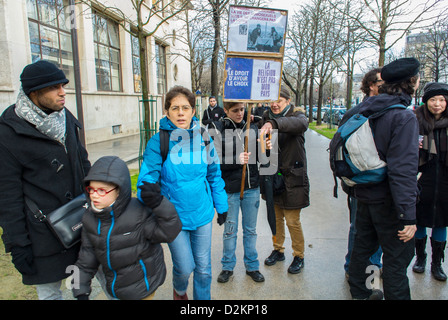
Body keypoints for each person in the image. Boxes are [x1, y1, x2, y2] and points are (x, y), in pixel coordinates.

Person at [0, 60, 91, 300]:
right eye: (54, 87)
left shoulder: (65, 118)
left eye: (63, 85)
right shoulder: (8, 133)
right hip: (43, 234)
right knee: (51, 294)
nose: (62, 92)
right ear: (34, 93)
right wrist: (18, 245)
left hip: (81, 222)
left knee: (83, 289)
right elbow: (7, 196)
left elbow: (83, 164)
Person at [137, 85, 228, 300]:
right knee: (185, 267)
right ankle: (179, 290)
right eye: (175, 108)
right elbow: (147, 177)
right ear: (166, 111)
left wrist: (221, 205)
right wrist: (148, 190)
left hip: (202, 213)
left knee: (204, 269)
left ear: (193, 111)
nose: (180, 113)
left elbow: (214, 174)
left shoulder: (205, 138)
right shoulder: (159, 142)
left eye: (185, 108)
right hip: (173, 217)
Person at [347, 57, 420, 300]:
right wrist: (407, 215)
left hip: (365, 195)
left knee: (362, 252)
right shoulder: (404, 117)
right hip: (390, 203)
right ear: (412, 82)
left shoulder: (367, 109)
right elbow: (403, 171)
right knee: (396, 264)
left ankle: (363, 294)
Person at [72, 156, 182, 300]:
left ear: (119, 190)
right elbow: (86, 258)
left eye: (101, 190)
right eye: (91, 189)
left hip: (143, 288)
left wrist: (159, 203)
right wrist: (81, 291)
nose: (94, 195)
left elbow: (169, 232)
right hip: (115, 289)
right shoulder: (89, 218)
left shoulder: (138, 213)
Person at [210, 102, 264, 283]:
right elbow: (214, 160)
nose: (240, 113)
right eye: (235, 110)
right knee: (230, 230)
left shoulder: (253, 128)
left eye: (242, 109)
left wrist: (265, 147)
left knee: (250, 230)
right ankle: (227, 266)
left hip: (252, 187)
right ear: (225, 110)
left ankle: (252, 265)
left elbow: (261, 158)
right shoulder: (218, 129)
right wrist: (236, 160)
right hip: (230, 190)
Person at [259, 86, 310, 274]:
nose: (274, 104)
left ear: (288, 101)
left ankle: (299, 255)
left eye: (279, 100)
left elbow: (299, 125)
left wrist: (273, 125)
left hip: (292, 179)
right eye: (272, 100)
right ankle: (278, 250)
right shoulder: (265, 118)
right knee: (276, 218)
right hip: (272, 177)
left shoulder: (298, 117)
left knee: (292, 220)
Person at [343, 68, 384, 277]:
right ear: (371, 85)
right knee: (360, 228)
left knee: (371, 229)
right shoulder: (358, 114)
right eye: (381, 82)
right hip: (363, 184)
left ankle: (369, 270)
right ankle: (358, 271)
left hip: (377, 184)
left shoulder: (386, 111)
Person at [413, 82, 448, 281]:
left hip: (444, 179)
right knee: (420, 220)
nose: (437, 104)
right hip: (422, 178)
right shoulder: (416, 121)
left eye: (441, 100)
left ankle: (437, 264)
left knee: (441, 222)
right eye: (433, 100)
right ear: (426, 102)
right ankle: (420, 258)